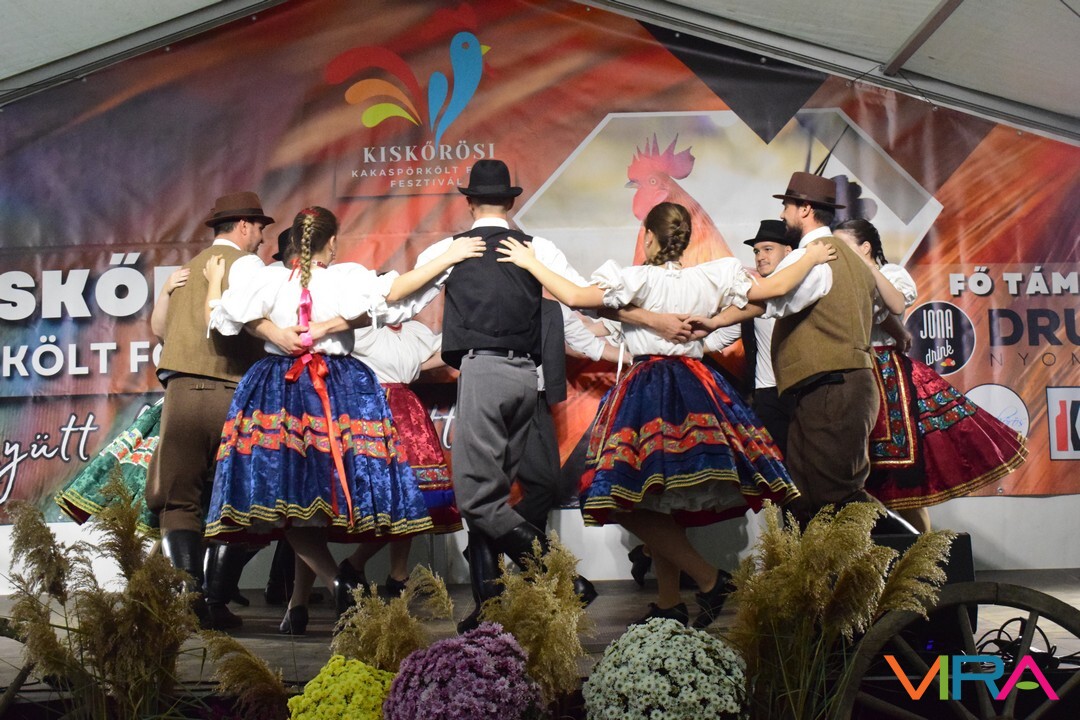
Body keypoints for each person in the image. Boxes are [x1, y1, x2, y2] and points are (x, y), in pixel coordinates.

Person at [497, 201, 832, 628]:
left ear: (649, 237)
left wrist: (531, 261)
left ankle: (709, 579)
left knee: (627, 499)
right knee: (659, 499)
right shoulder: (710, 277)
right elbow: (772, 291)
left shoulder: (635, 279)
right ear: (685, 239)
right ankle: (670, 599)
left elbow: (576, 296)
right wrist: (811, 258)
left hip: (651, 387)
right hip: (695, 385)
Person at [202, 205, 483, 634]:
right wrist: (448, 256)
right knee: (309, 498)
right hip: (335, 388)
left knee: (295, 498)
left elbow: (222, 316)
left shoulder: (269, 278)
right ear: (331, 243)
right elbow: (396, 289)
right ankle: (337, 584)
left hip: (281, 389)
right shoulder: (341, 279)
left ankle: (310, 597)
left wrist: (269, 328)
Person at [400, 159, 609, 633]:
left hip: (483, 371)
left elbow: (403, 302)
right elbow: (580, 296)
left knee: (477, 500)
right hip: (526, 377)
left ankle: (563, 578)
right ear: (511, 203)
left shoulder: (451, 249)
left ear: (469, 201)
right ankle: (488, 607)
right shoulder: (538, 248)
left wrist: (444, 263)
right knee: (491, 498)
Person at [693, 173, 917, 535]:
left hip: (834, 385)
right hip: (825, 386)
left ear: (805, 209)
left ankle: (915, 551)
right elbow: (778, 301)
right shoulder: (841, 256)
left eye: (786, 206)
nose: (783, 214)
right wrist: (717, 322)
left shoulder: (813, 257)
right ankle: (821, 567)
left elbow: (771, 298)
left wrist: (716, 308)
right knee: (803, 493)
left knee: (837, 493)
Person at [145, 191, 299, 631]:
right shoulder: (251, 268)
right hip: (235, 396)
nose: (263, 238)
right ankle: (214, 599)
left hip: (181, 395)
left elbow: (160, 332)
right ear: (245, 226)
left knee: (179, 501)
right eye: (261, 229)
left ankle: (191, 598)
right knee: (236, 502)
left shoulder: (185, 272)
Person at [832, 218, 1028, 532]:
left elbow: (890, 305)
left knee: (904, 480)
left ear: (865, 247)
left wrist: (865, 270)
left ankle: (922, 553)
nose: (836, 252)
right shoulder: (836, 280)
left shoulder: (891, 274)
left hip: (889, 375)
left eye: (842, 245)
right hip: (853, 369)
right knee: (857, 473)